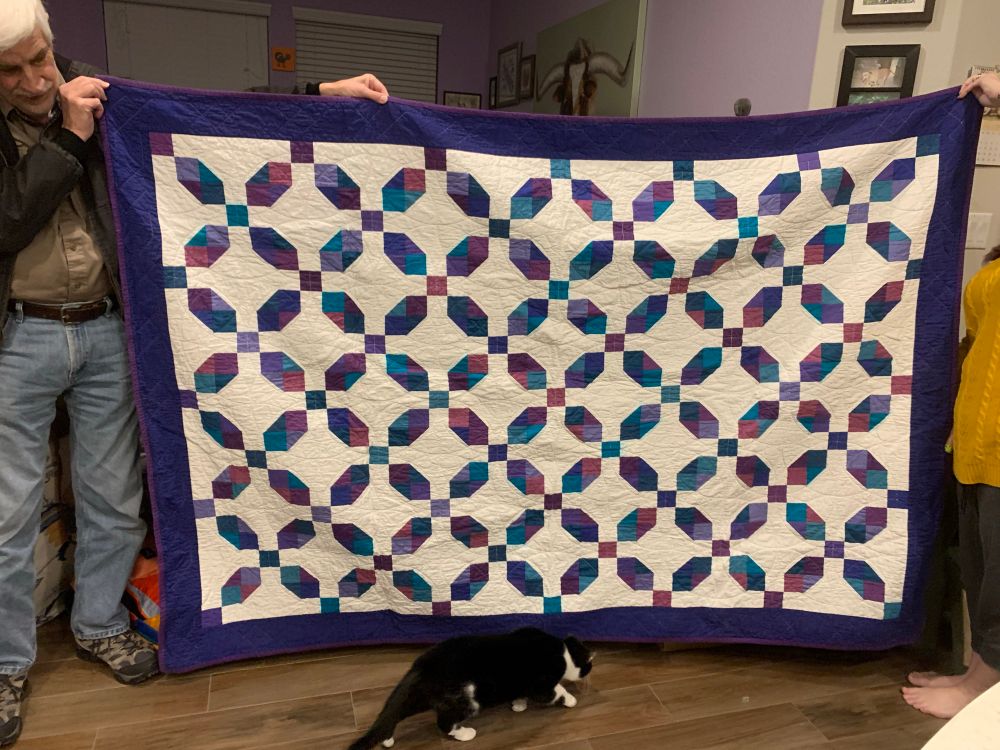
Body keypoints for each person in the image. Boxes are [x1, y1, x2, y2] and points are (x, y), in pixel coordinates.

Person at [0, 1, 388, 745]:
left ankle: (100, 626)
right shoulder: (54, 119)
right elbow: (8, 220)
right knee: (9, 515)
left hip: (109, 327)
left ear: (53, 45)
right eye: (11, 70)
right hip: (21, 335)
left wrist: (319, 98)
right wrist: (68, 140)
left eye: (39, 60)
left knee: (114, 497)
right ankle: (8, 664)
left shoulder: (87, 87)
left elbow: (203, 112)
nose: (32, 80)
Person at [900, 70, 1000, 719]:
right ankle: (977, 672)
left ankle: (983, 689)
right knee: (979, 570)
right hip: (975, 440)